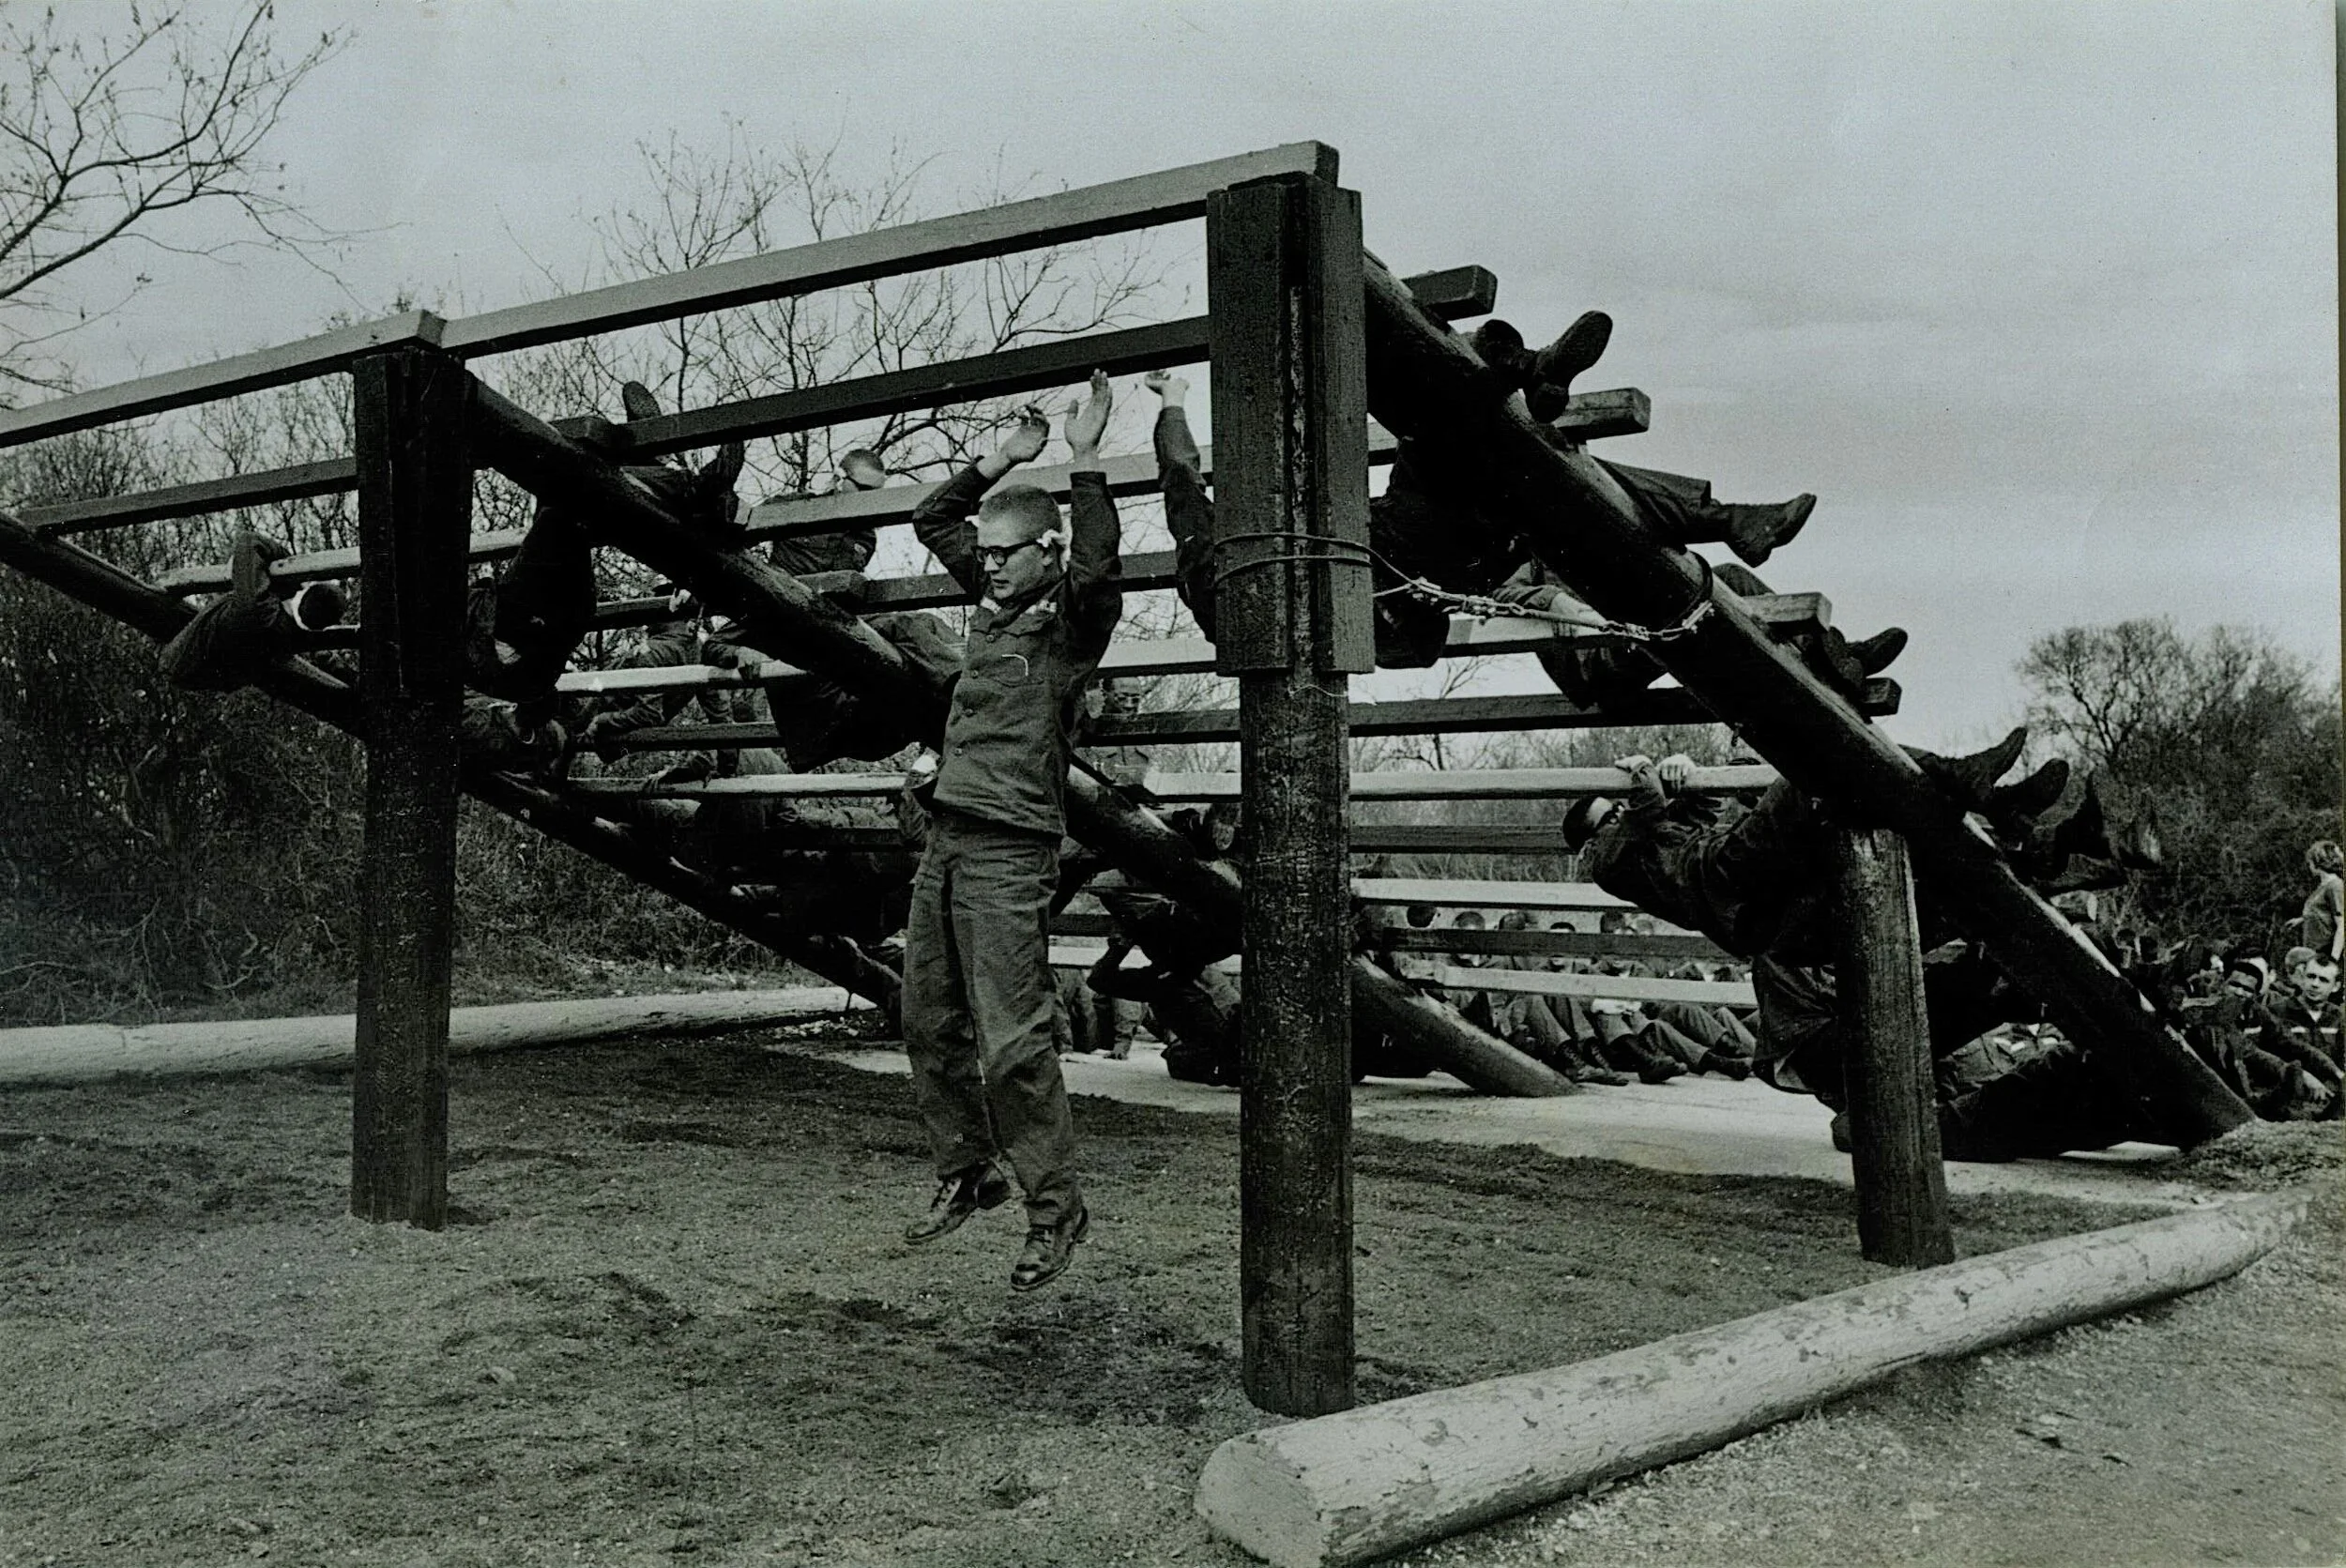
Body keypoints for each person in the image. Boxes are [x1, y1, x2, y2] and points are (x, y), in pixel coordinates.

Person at [897, 372, 1120, 1292]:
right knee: (925, 1019)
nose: (986, 566)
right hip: (946, 841)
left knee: (1014, 1042)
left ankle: (1056, 1211)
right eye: (983, 554)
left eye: (1004, 553)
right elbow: (931, 518)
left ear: (1047, 551)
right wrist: (1001, 458)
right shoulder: (992, 609)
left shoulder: (1070, 623)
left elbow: (1100, 566)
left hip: (1010, 852)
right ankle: (968, 1171)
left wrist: (1084, 457)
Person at [157, 531, 345, 693]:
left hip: (179, 661)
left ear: (305, 592)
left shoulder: (257, 607)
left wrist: (293, 574)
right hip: (211, 674)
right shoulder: (295, 636)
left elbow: (249, 541)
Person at [2300, 840, 2345, 964]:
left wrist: (2333, 959)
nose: (2309, 866)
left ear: (2318, 862)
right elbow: (2323, 912)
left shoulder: (2335, 886)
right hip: (2314, 952)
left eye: (2310, 862)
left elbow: (2342, 924)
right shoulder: (2323, 886)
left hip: (2325, 953)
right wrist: (2302, 919)